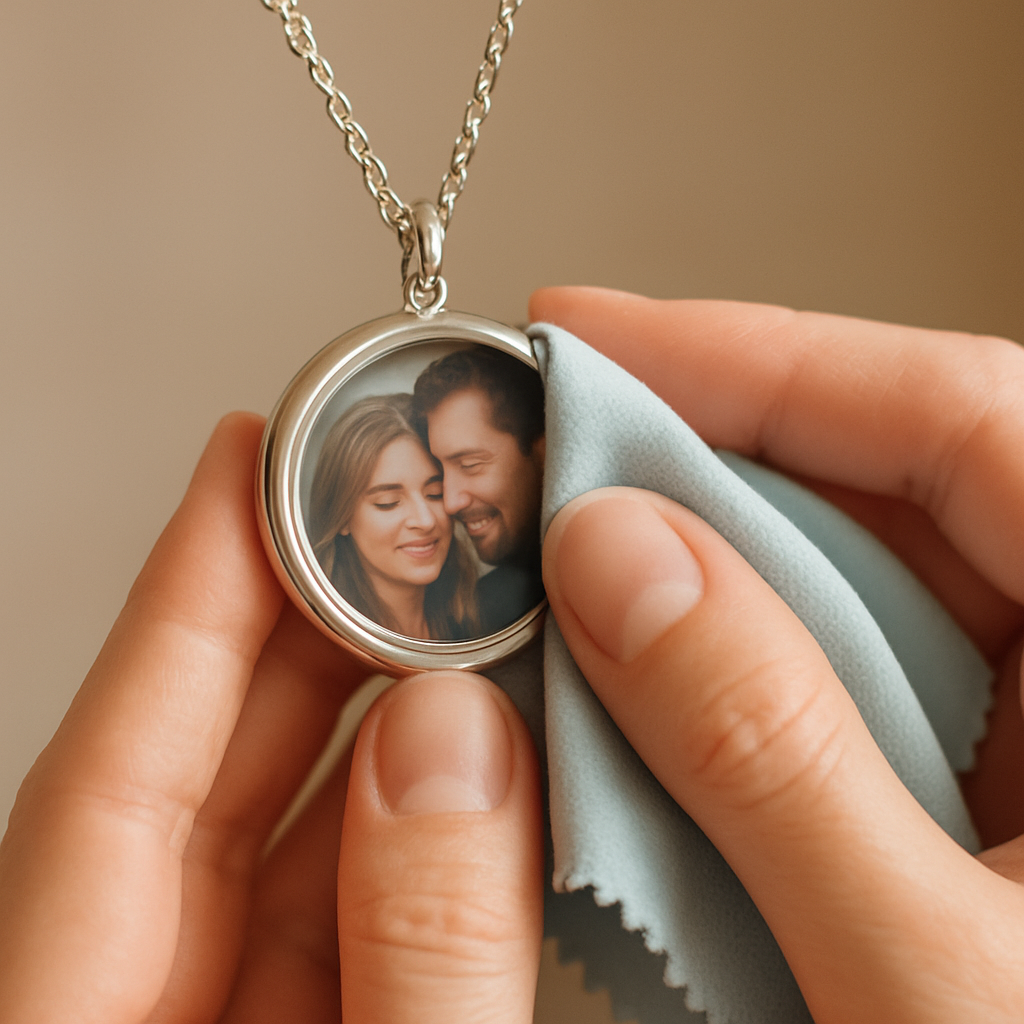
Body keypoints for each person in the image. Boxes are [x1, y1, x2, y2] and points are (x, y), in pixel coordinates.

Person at [2, 286, 1024, 1023]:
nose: (439, 510)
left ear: (539, 453)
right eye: (398, 491)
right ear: (338, 527)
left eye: (453, 474)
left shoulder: (494, 586)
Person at [308, 393, 479, 640]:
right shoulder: (325, 642)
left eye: (435, 493)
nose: (425, 520)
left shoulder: (476, 620)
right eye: (388, 503)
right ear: (342, 517)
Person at [413, 347, 547, 633]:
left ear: (545, 451)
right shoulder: (478, 610)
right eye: (440, 474)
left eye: (470, 465)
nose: (450, 503)